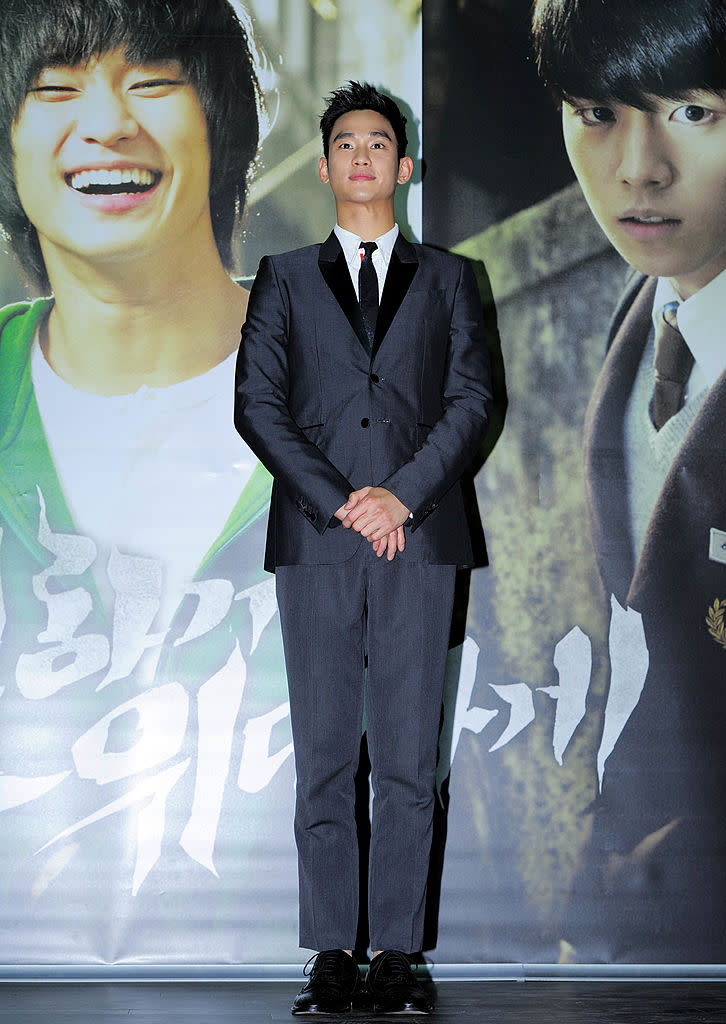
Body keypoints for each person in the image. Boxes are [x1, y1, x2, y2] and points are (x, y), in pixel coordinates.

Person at [0, 0, 289, 959]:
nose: (108, 121)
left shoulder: (381, 395)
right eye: (54, 89)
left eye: (153, 81)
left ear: (224, 124)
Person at [235, 81, 492, 1012]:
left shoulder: (455, 279)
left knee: (408, 762)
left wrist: (402, 498)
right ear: (324, 163)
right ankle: (332, 953)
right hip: (318, 543)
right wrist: (347, 502)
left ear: (404, 164)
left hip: (421, 545)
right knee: (326, 758)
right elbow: (258, 407)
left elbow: (472, 404)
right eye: (344, 142)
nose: (360, 157)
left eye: (378, 143)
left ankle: (396, 956)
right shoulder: (285, 277)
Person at [532, 0, 726, 961]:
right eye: (597, 112)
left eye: (695, 111)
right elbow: (643, 662)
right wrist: (594, 918)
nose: (639, 168)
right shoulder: (645, 318)